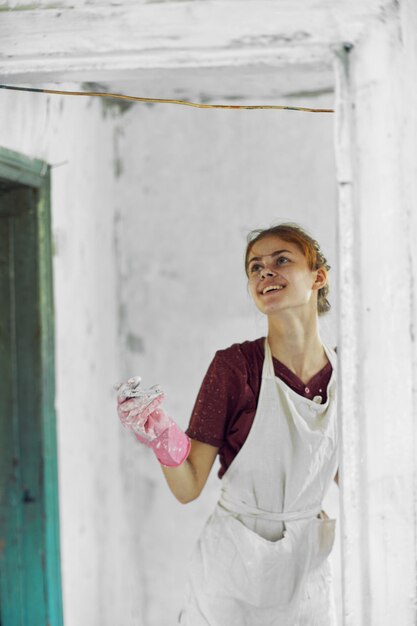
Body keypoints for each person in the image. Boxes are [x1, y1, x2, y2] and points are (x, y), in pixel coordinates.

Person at [117, 222, 339, 626]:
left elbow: (352, 475)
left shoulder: (345, 373)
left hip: (308, 571)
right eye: (254, 267)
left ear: (318, 277)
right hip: (233, 571)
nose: (264, 273)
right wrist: (161, 435)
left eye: (281, 260)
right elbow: (188, 487)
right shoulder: (235, 368)